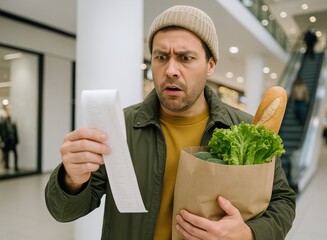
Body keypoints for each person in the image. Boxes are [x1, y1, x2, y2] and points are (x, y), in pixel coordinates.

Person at [45, 5, 296, 240]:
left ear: (210, 65)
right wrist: (72, 179)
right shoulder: (120, 126)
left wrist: (249, 234)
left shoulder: (245, 131)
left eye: (185, 58)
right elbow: (64, 212)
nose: (171, 70)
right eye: (161, 57)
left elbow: (283, 201)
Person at [0, 105, 19, 171]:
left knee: (15, 153)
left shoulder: (12, 121)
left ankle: (15, 166)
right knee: (6, 154)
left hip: (12, 140)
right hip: (7, 140)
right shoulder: (3, 122)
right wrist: (3, 140)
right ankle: (6, 165)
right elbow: (2, 132)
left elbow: (15, 131)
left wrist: (16, 140)